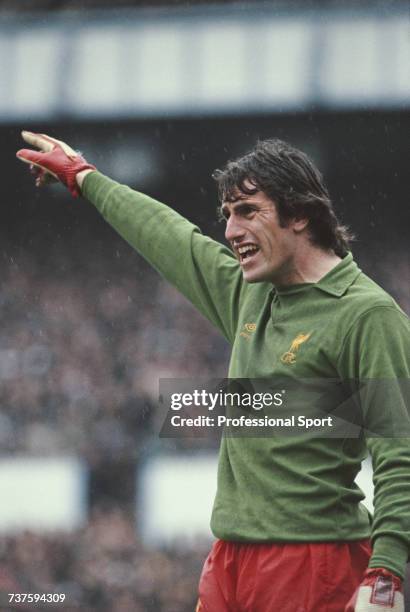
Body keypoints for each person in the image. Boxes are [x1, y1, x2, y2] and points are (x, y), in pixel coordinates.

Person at [17, 132, 409, 612]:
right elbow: (170, 236)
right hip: (229, 558)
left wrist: (387, 570)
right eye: (228, 215)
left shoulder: (367, 316)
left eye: (248, 211)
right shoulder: (251, 293)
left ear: (301, 213)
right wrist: (86, 177)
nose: (231, 230)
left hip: (313, 561)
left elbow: (399, 453)